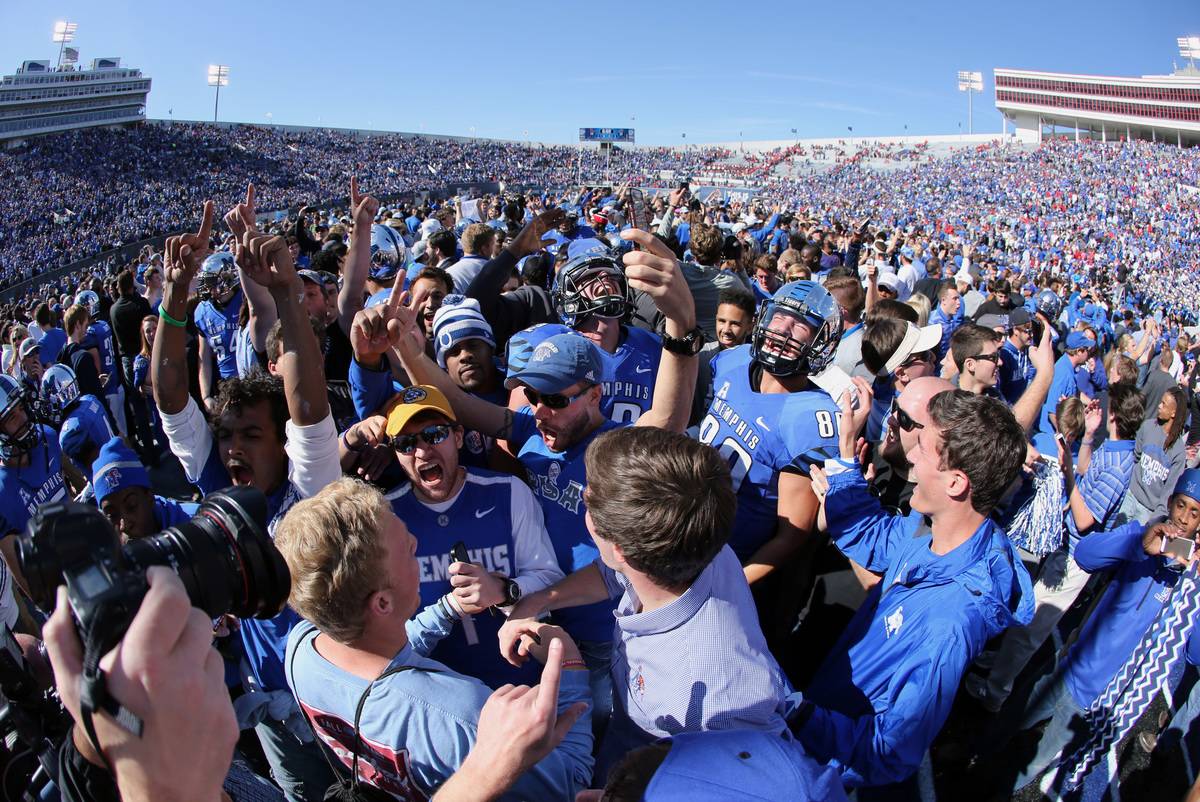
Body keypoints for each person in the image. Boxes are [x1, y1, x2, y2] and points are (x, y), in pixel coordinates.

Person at [373, 225, 699, 727]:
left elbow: (669, 420)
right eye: (532, 395)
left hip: (602, 628)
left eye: (555, 399)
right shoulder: (529, 430)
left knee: (603, 732)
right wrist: (408, 352)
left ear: (594, 395)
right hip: (543, 615)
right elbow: (458, 403)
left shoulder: (613, 448)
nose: (540, 411)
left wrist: (681, 325)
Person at [154, 204, 339, 801]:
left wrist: (287, 295)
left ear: (281, 445)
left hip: (337, 693)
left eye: (250, 435)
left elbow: (308, 407)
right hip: (272, 708)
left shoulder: (308, 485)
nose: (232, 447)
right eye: (226, 434)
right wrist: (175, 299)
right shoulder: (213, 479)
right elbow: (169, 392)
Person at [498, 427, 790, 781]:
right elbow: (613, 573)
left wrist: (570, 664)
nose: (585, 499)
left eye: (590, 501)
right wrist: (539, 599)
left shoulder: (721, 703)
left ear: (619, 548)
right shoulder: (695, 540)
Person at [277, 477, 595, 801]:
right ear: (383, 603)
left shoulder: (302, 648)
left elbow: (384, 655)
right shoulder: (462, 714)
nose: (415, 541)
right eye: (405, 548)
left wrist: (448, 609)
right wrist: (568, 663)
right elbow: (570, 781)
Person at [800, 388, 1033, 789]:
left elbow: (889, 752)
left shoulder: (949, 626)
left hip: (818, 771)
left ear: (956, 483)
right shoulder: (929, 529)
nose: (910, 456)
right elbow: (871, 534)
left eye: (923, 449)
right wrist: (844, 459)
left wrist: (798, 717)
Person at [342, 384, 564, 688]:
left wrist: (503, 590)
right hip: (437, 696)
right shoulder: (385, 516)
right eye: (406, 443)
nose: (422, 450)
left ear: (458, 436)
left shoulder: (508, 492)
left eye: (434, 434)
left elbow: (551, 581)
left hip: (522, 684)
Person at [1012, 469, 1200, 798]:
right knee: (1009, 723)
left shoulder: (1190, 585)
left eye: (1194, 512)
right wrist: (1139, 545)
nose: (1183, 519)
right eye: (1181, 505)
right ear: (1169, 503)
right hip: (1069, 664)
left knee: (1031, 764)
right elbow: (1086, 555)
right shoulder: (1142, 535)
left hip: (1096, 698)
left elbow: (1194, 654)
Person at [967, 385, 1145, 713]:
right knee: (1026, 608)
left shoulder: (1121, 465)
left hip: (1077, 557)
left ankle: (994, 693)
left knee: (1030, 631)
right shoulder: (1115, 446)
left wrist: (1067, 477)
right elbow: (1085, 472)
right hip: (1065, 546)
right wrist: (1089, 438)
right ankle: (998, 661)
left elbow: (1086, 519)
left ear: (1114, 414)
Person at [696, 280, 842, 583]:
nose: (783, 330)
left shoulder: (809, 418)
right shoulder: (733, 360)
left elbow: (791, 536)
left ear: (820, 343)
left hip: (727, 563)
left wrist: (732, 585)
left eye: (801, 325)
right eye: (779, 316)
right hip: (682, 529)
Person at [92, 436, 199, 540]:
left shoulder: (196, 523)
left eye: (131, 506)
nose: (124, 526)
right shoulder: (110, 551)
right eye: (112, 515)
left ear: (149, 496)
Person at [1123, 385, 1189, 523]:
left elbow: (1168, 493)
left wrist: (1152, 522)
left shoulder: (1178, 452)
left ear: (1173, 413)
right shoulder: (1147, 427)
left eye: (1164, 404)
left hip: (1147, 512)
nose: (1159, 406)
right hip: (1129, 497)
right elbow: (1134, 458)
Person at [194, 251, 244, 409]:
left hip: (255, 377)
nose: (210, 290)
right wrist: (206, 395)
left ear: (230, 277)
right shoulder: (202, 312)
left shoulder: (247, 297)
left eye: (214, 283)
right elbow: (204, 356)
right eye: (208, 284)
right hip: (226, 385)